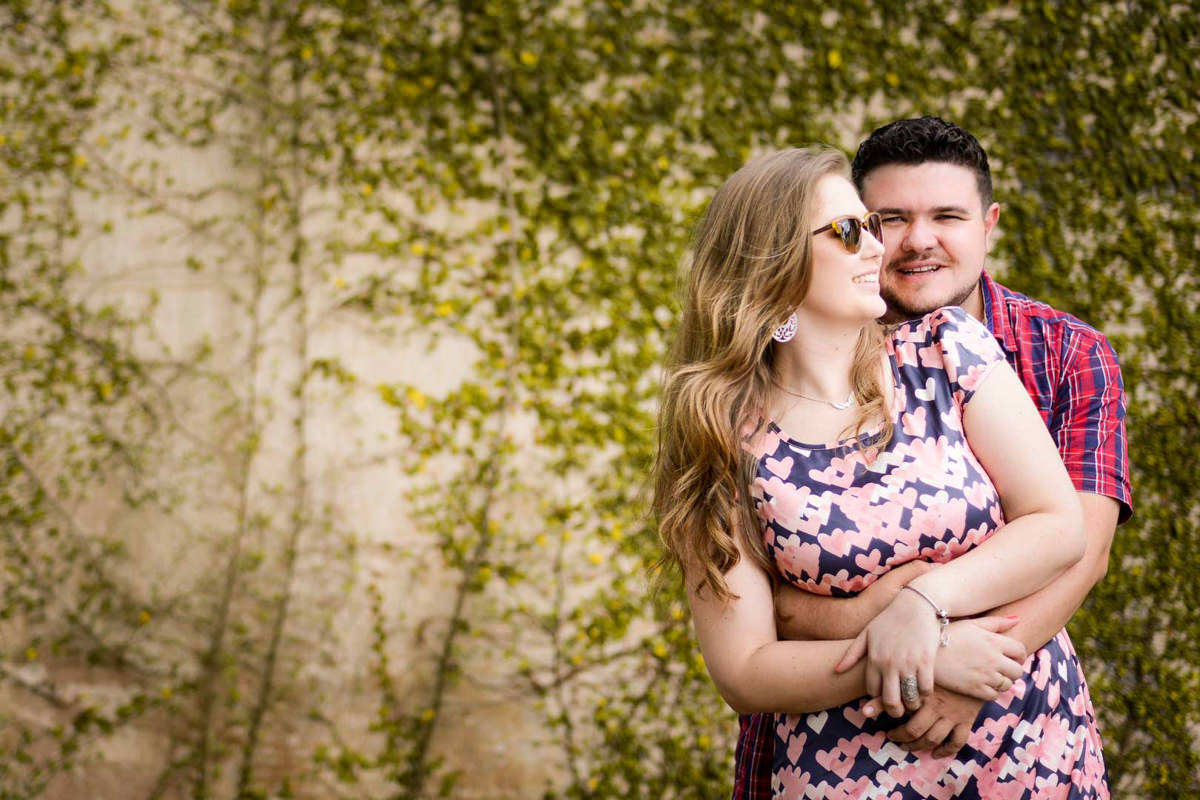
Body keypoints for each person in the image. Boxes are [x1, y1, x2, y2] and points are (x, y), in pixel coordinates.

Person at [654, 144, 1101, 798]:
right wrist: (914, 655)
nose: (876, 248)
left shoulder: (948, 352)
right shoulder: (720, 441)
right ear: (773, 257)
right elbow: (744, 671)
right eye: (847, 230)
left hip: (1029, 750)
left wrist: (924, 603)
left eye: (870, 224)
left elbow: (1059, 527)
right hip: (850, 775)